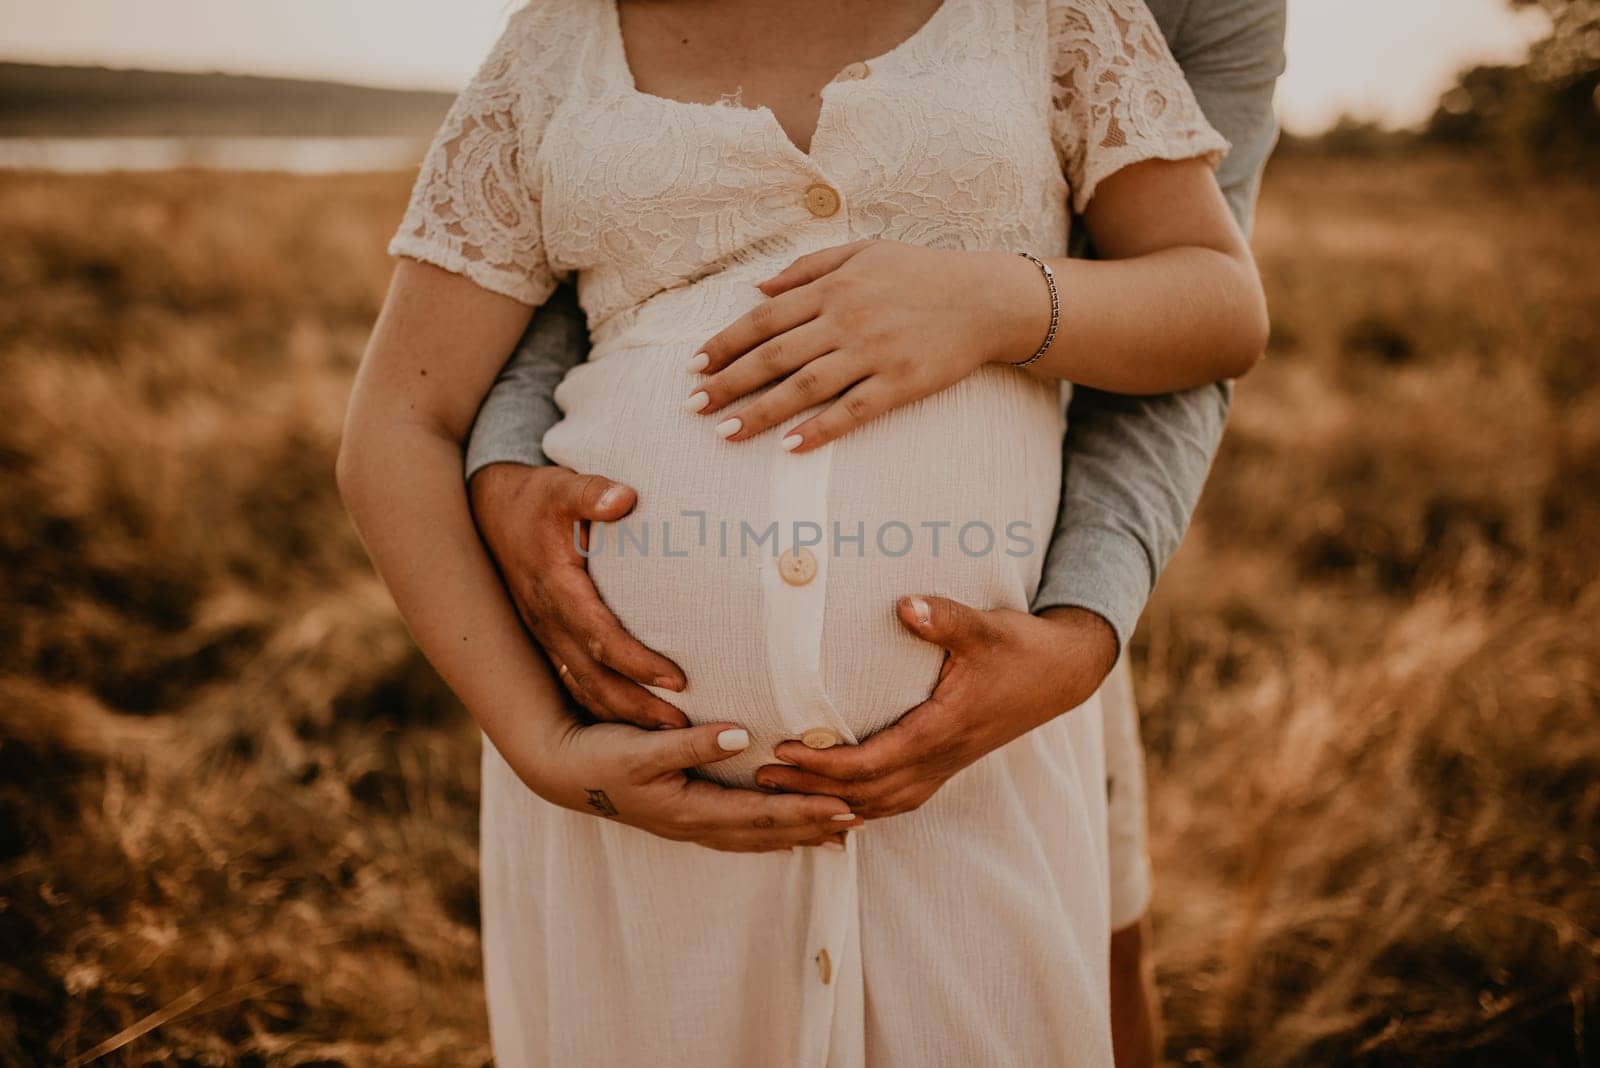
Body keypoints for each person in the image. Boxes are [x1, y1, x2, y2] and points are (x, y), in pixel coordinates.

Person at [336, 0, 1280, 1063]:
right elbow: (399, 423)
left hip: (973, 776)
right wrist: (543, 746)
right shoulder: (557, 45)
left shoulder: (1055, 16)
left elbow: (1217, 306)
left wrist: (996, 304)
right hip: (637, 819)